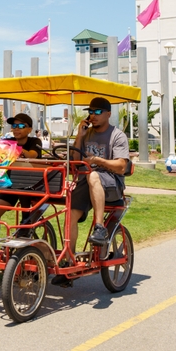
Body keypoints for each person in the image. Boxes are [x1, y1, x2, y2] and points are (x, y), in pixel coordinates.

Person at [68, 97, 130, 250]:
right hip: (87, 181)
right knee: (70, 215)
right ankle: (68, 260)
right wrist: (79, 136)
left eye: (97, 112)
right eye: (90, 112)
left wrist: (97, 160)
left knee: (94, 175)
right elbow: (76, 161)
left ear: (108, 114)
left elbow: (121, 166)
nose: (93, 115)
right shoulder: (86, 134)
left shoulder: (117, 135)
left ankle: (100, 228)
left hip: (112, 184)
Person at [0, 113, 45, 242]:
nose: (16, 129)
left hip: (32, 184)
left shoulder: (35, 141)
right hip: (12, 184)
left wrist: (15, 148)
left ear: (29, 129)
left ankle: (26, 223)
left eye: (20, 126)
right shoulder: (8, 141)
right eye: (14, 126)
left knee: (22, 188)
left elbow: (33, 155)